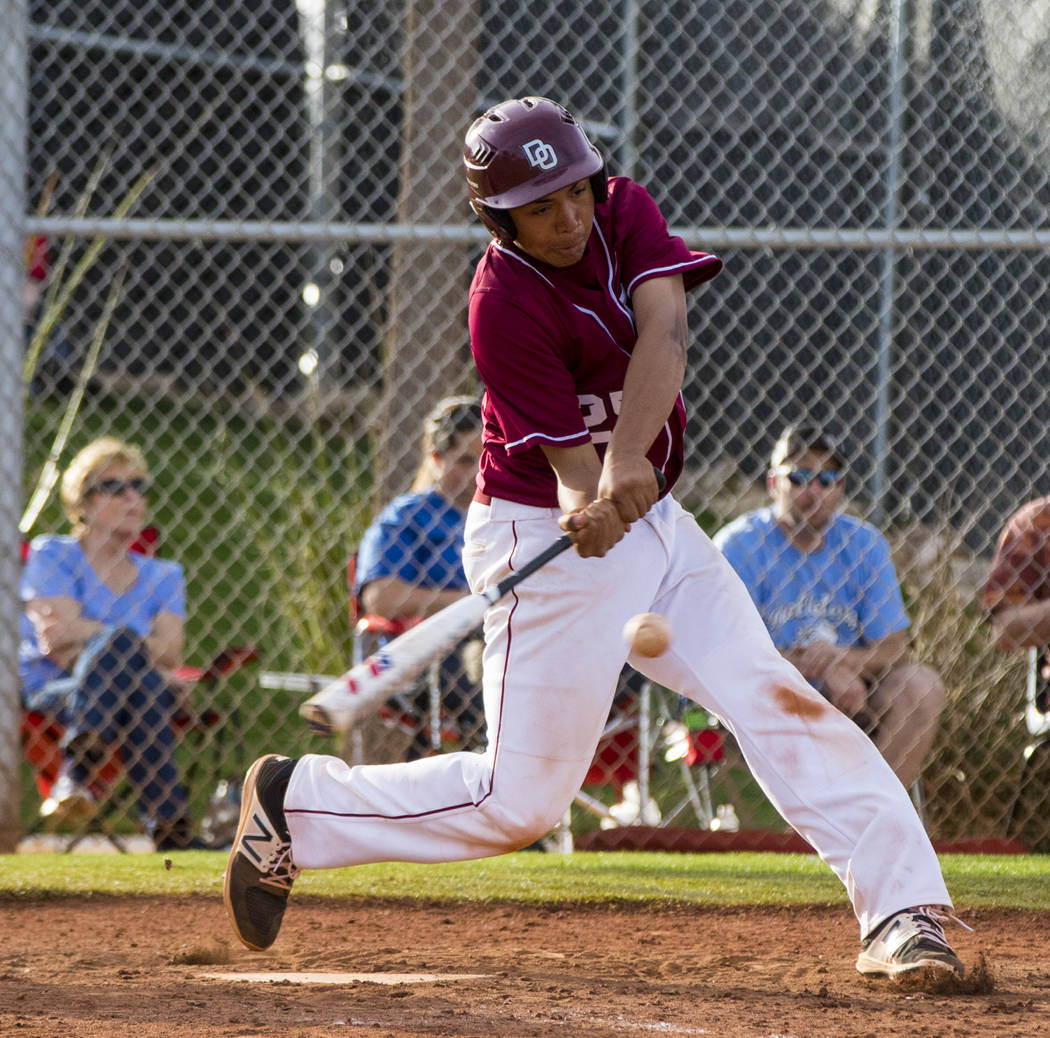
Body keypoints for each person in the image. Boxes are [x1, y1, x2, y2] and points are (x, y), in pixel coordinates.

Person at [224, 96, 964, 978]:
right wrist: (596, 487)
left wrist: (625, 472)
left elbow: (667, 330)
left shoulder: (624, 210)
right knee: (520, 803)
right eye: (541, 207)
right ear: (499, 219)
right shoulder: (500, 303)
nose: (569, 217)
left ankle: (904, 914)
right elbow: (573, 479)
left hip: (657, 527)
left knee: (773, 695)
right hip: (540, 532)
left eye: (575, 191)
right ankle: (296, 802)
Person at [712, 425, 946, 790]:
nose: (813, 490)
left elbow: (895, 645)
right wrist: (804, 667)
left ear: (841, 488)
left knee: (921, 687)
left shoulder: (865, 544)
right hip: (764, 693)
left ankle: (872, 819)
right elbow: (723, 649)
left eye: (827, 478)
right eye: (800, 477)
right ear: (774, 484)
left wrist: (845, 662)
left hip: (850, 691)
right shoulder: (737, 546)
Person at [20, 436, 205, 850]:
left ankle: (76, 773)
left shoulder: (164, 574)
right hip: (54, 690)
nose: (131, 497)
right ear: (82, 503)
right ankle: (172, 831)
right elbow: (59, 652)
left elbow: (172, 651)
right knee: (144, 679)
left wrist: (87, 634)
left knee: (136, 676)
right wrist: (143, 652)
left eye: (138, 486)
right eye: (114, 486)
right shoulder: (52, 554)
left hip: (94, 701)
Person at [354, 395, 487, 759]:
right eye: (463, 460)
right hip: (433, 651)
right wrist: (468, 605)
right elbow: (380, 597)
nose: (477, 472)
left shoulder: (507, 516)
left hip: (504, 634)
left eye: (485, 458)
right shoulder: (407, 518)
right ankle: (493, 752)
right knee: (464, 657)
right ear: (435, 459)